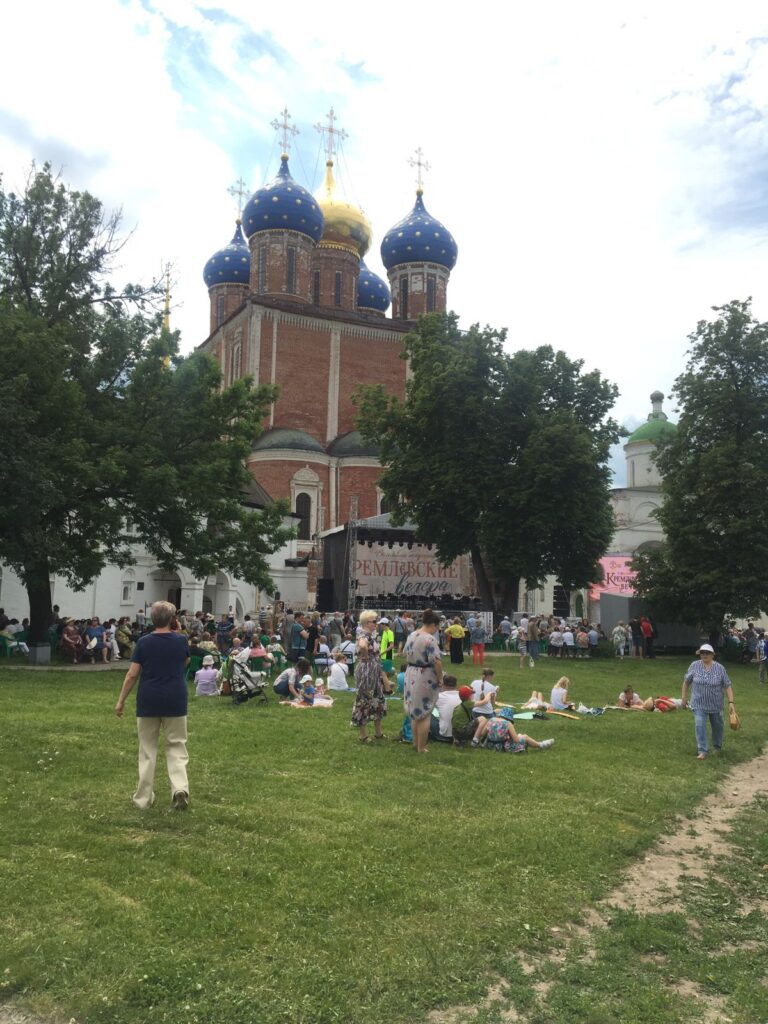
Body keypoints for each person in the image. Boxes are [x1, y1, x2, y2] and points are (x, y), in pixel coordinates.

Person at [114, 601, 191, 810]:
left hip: (149, 698)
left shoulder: (144, 643)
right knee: (176, 745)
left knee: (147, 749)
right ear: (173, 619)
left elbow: (132, 675)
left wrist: (121, 700)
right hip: (175, 698)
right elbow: (185, 663)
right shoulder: (181, 641)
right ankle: (179, 788)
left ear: (152, 619)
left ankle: (143, 799)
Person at [681, 644, 737, 760]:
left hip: (716, 705)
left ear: (712, 655)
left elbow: (727, 685)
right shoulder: (694, 666)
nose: (705, 655)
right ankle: (702, 750)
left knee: (717, 727)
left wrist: (731, 702)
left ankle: (717, 747)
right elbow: (686, 682)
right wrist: (684, 698)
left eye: (707, 653)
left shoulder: (720, 668)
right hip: (698, 703)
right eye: (702, 653)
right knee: (699, 725)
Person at [403, 608, 444, 753]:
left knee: (414, 711)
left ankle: (415, 743)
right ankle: (422, 747)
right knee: (425, 713)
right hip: (424, 675)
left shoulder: (412, 635)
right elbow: (437, 662)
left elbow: (405, 653)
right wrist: (440, 678)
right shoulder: (430, 639)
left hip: (410, 673)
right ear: (433, 624)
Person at [351, 610, 388, 742]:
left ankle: (378, 732)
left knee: (378, 699)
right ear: (366, 623)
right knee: (364, 699)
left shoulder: (370, 635)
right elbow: (362, 646)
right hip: (367, 672)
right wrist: (366, 656)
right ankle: (363, 735)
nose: (376, 624)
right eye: (374, 621)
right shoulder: (363, 635)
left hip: (374, 670)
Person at [474, 712, 555, 753]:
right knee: (525, 737)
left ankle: (540, 744)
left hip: (489, 746)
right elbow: (516, 740)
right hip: (502, 747)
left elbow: (482, 734)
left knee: (520, 736)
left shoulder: (491, 720)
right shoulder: (507, 723)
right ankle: (541, 745)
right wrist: (519, 736)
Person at [429, 674, 462, 743]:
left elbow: (427, 707)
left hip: (444, 734)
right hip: (461, 734)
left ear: (443, 684)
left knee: (428, 714)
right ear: (456, 685)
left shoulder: (439, 696)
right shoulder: (462, 696)